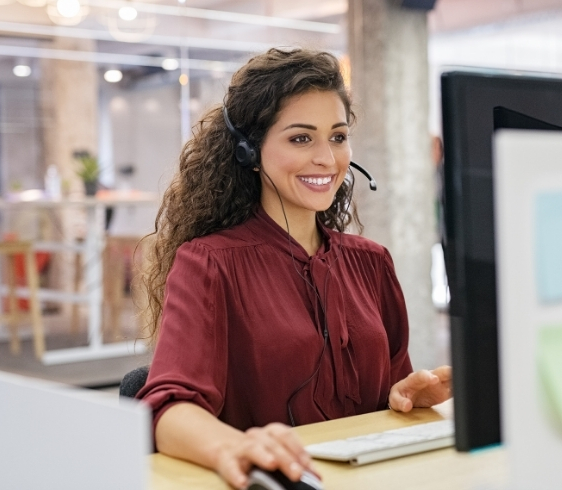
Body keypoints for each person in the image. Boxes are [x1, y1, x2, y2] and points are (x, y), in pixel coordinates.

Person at [136, 47, 452, 489]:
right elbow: (166, 409)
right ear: (250, 150)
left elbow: (389, 389)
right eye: (301, 138)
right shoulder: (209, 263)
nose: (327, 158)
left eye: (338, 137)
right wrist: (233, 447)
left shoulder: (371, 262)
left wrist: (404, 395)